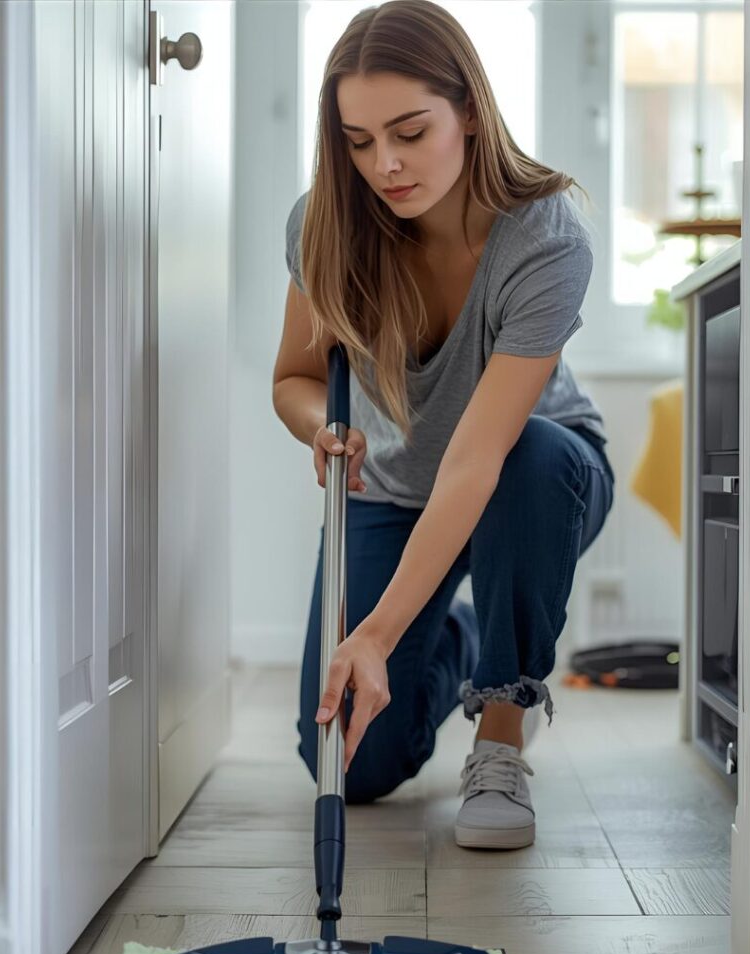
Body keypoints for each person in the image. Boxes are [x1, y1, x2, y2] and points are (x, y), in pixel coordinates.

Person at [272, 0, 615, 850]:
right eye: (358, 141)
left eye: (409, 131)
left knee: (532, 458)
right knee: (350, 765)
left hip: (529, 483)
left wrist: (375, 634)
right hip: (393, 489)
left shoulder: (545, 236)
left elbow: (477, 460)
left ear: (468, 108)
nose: (384, 164)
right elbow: (295, 379)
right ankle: (462, 638)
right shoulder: (326, 224)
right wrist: (322, 430)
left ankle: (500, 733)